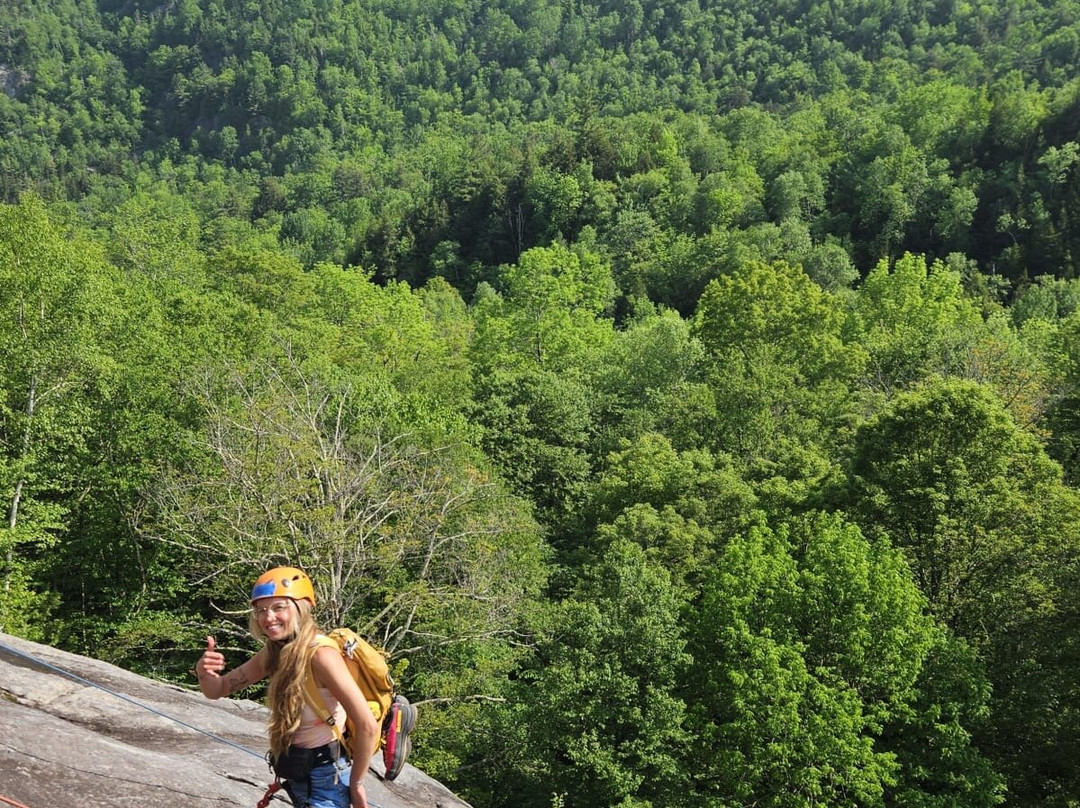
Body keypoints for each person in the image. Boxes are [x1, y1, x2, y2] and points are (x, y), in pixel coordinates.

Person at [195, 566, 380, 808]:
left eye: (278, 607)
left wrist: (356, 784)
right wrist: (204, 672)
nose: (267, 617)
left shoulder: (321, 655)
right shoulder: (274, 653)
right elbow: (217, 690)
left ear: (302, 607)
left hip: (327, 777)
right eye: (260, 610)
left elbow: (367, 725)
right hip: (298, 772)